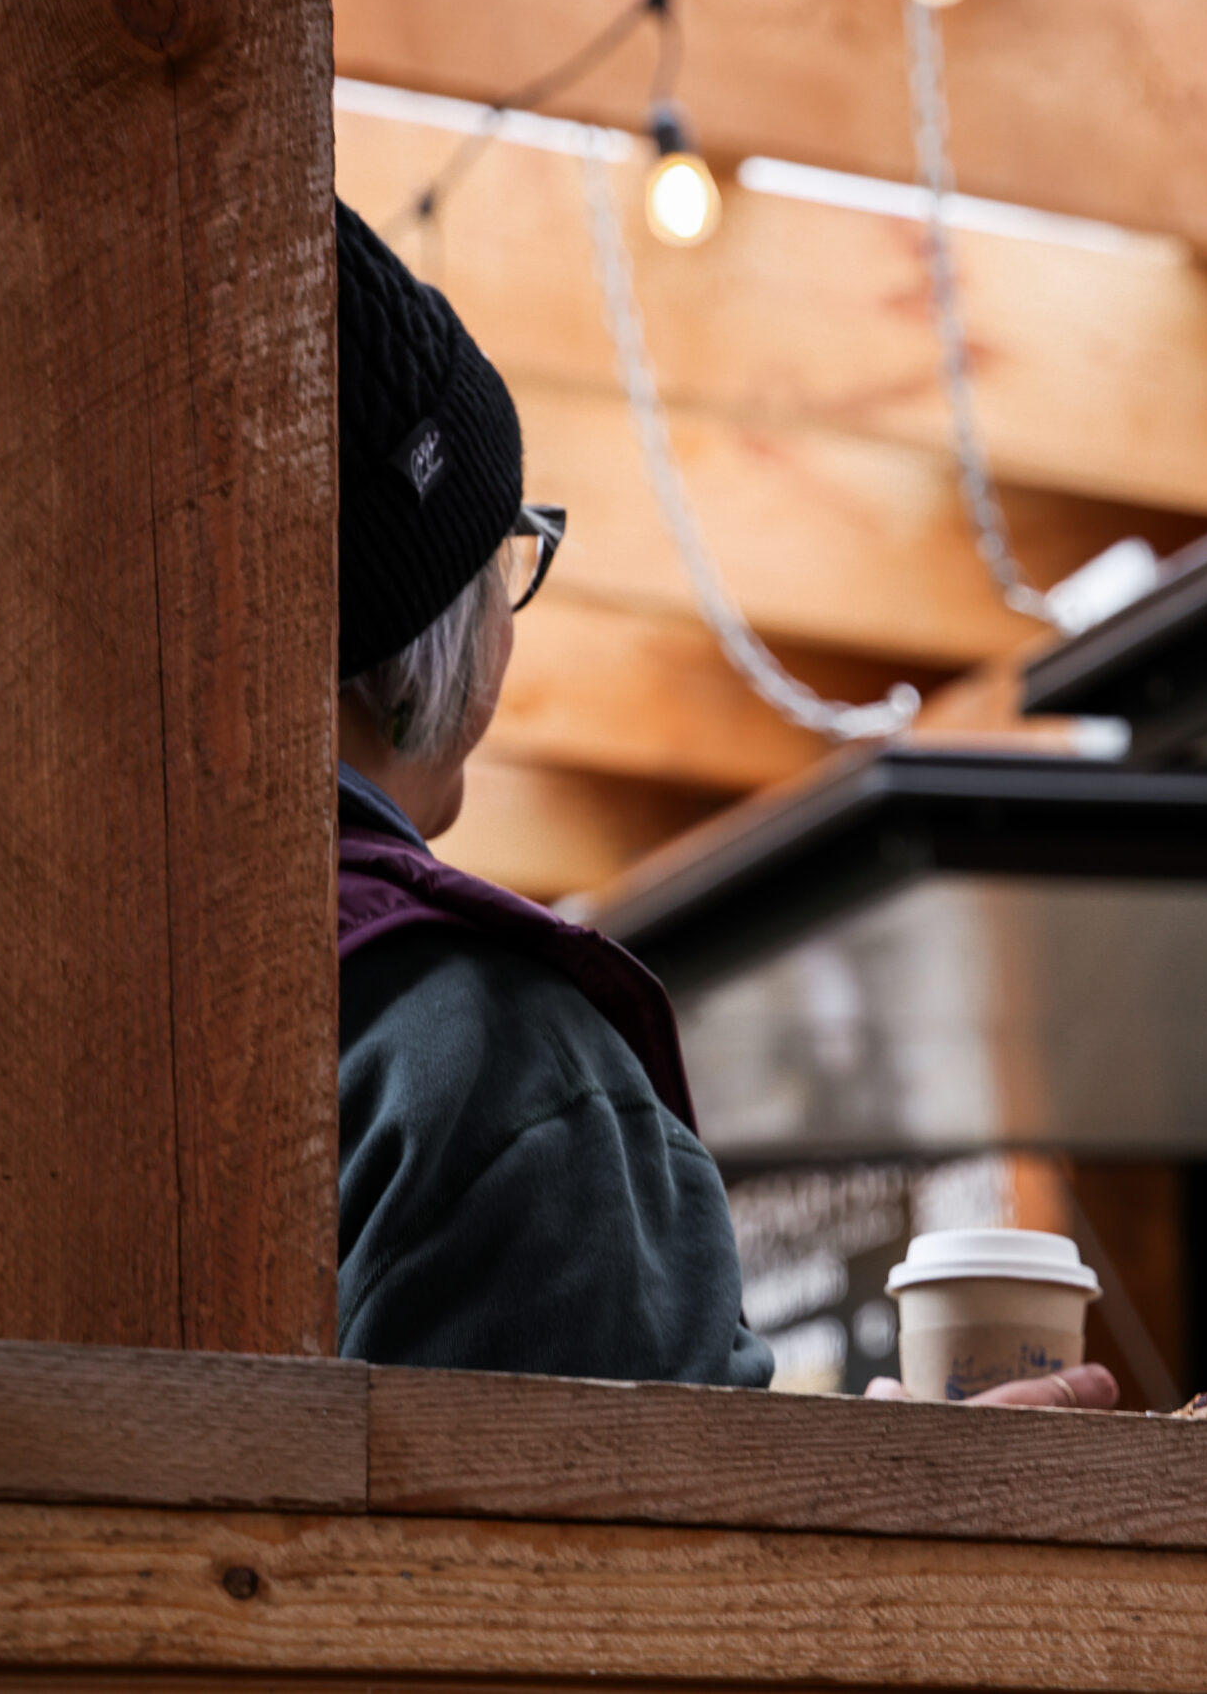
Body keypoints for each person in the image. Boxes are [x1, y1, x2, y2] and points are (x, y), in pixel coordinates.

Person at [332, 199, 1114, 1407]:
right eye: (504, 554)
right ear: (420, 637)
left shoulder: (87, 991)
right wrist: (933, 1527)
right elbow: (639, 1586)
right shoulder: (495, 1066)